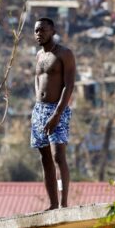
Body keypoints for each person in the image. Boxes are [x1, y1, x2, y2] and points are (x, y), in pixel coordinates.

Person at [31, 17, 76, 209]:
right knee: (45, 158)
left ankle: (64, 204)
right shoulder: (39, 56)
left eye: (42, 30)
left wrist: (57, 113)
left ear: (53, 31)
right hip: (39, 110)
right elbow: (37, 79)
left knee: (58, 156)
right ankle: (52, 204)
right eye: (36, 31)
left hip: (57, 109)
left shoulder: (64, 54)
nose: (38, 34)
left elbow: (69, 85)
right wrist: (37, 103)